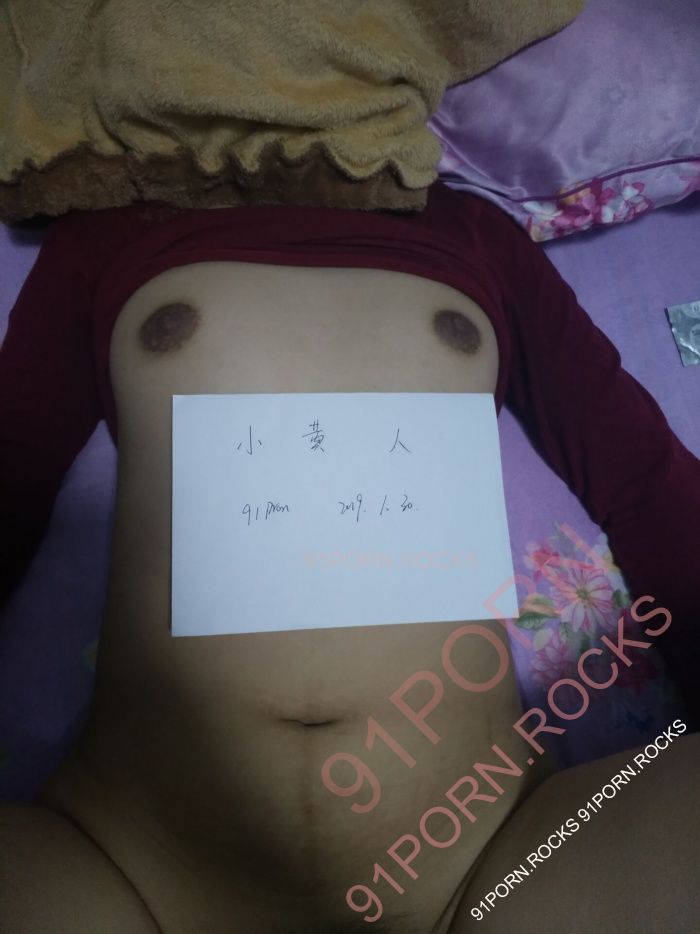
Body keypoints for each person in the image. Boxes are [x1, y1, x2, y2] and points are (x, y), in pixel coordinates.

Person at [1, 181, 698, 933]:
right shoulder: (111, 223)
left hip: (491, 857)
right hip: (129, 860)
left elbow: (637, 469)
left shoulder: (469, 228)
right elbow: (12, 469)